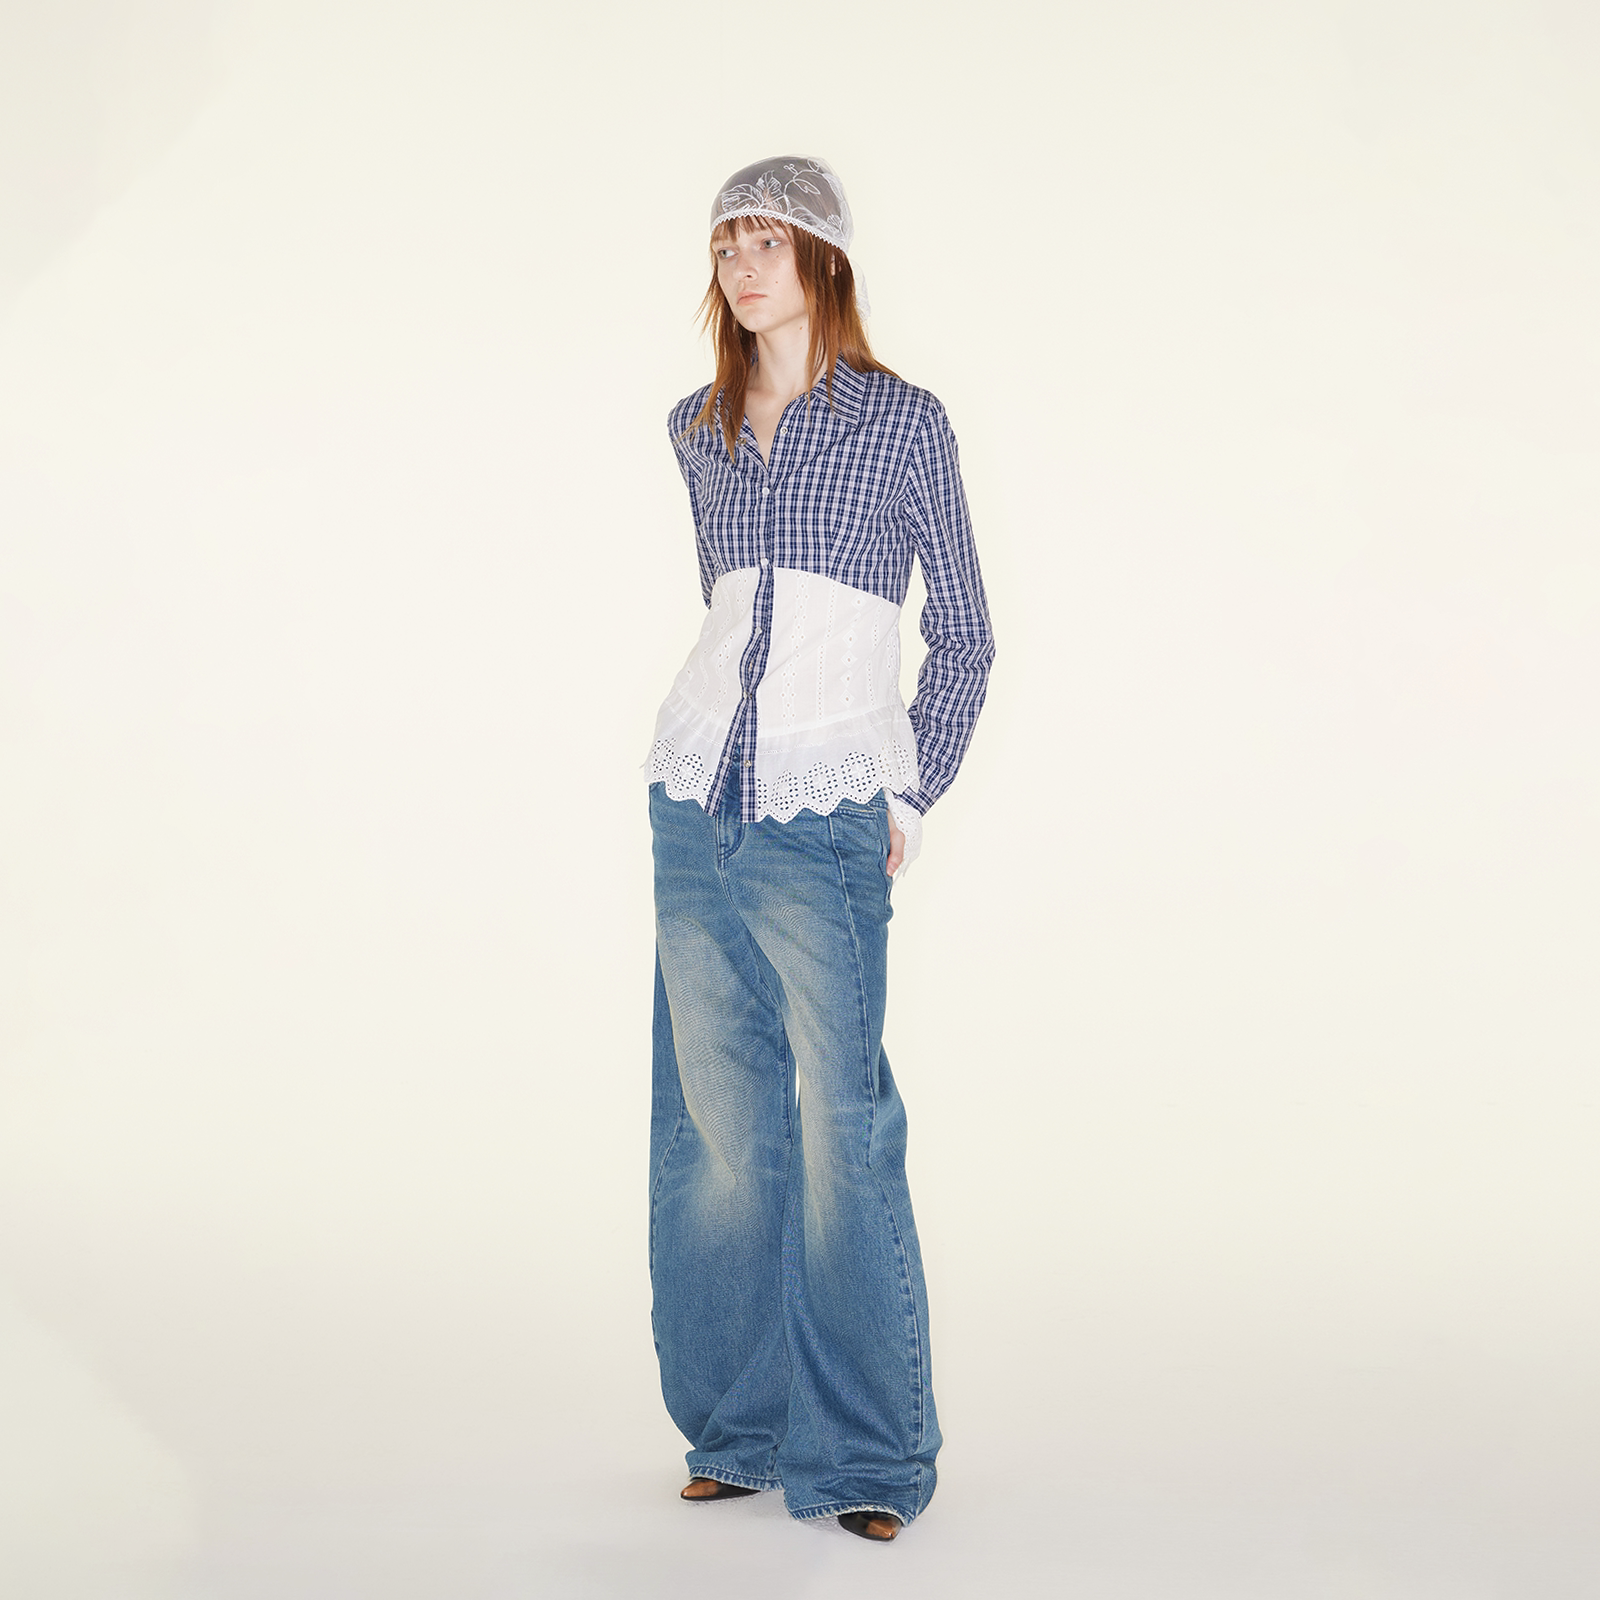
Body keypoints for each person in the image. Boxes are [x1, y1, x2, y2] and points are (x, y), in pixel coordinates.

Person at [644, 155, 995, 1544]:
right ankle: (740, 1429)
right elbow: (729, 612)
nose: (742, 268)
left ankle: (868, 1454)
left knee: (841, 1127)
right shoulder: (698, 428)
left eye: (767, 242)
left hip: (828, 807)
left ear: (823, 260)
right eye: (725, 245)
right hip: (696, 799)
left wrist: (908, 798)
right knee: (719, 1128)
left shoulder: (903, 424)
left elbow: (965, 633)